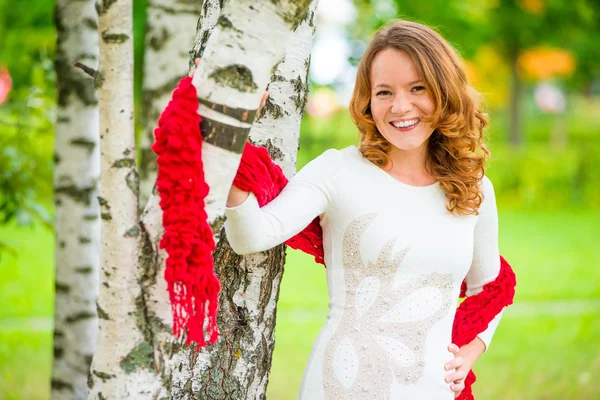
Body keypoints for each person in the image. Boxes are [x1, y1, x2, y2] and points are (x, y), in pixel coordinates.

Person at [223, 20, 504, 399]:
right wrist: (233, 149)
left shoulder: (472, 188)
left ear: (444, 90)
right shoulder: (337, 170)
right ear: (367, 101)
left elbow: (490, 286)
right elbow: (253, 236)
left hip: (433, 391)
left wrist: (472, 350)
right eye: (384, 92)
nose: (400, 106)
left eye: (417, 88)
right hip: (341, 385)